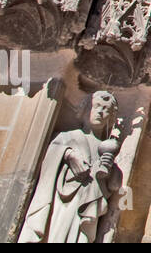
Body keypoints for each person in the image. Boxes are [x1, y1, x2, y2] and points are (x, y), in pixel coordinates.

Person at [18, 91, 121, 244]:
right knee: (56, 233)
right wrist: (68, 155)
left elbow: (114, 185)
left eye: (106, 109)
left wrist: (110, 170)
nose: (100, 111)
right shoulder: (68, 137)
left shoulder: (106, 149)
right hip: (63, 202)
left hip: (87, 209)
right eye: (97, 106)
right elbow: (52, 155)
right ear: (86, 109)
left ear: (111, 117)